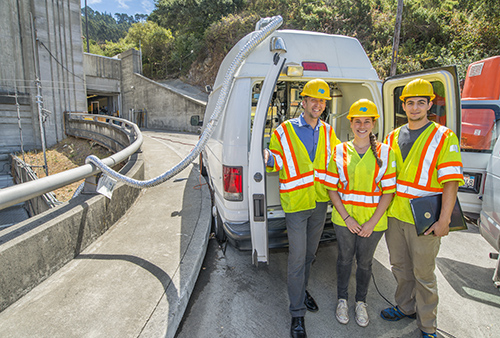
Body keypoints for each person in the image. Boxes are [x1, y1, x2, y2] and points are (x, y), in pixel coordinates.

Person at [380, 79, 464, 338]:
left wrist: (444, 220)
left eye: (420, 102)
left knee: (424, 274)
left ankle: (427, 326)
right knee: (400, 267)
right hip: (395, 216)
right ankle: (405, 307)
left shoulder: (443, 136)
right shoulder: (392, 136)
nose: (415, 108)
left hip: (425, 220)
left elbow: (451, 182)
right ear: (403, 105)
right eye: (410, 103)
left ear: (429, 104)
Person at [264, 79, 340, 338]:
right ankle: (297, 314)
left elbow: (341, 160)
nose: (317, 104)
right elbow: (275, 162)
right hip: (296, 204)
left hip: (319, 203)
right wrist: (265, 157)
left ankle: (301, 289)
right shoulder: (284, 131)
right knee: (297, 258)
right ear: (303, 102)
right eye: (313, 100)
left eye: (322, 101)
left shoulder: (329, 132)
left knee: (309, 255)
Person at [325, 99, 396, 328]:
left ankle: (361, 302)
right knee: (344, 259)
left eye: (367, 121)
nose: (362, 125)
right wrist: (347, 217)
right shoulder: (339, 151)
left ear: (373, 124)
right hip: (345, 219)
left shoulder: (386, 152)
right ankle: (342, 300)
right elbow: (332, 187)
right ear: (351, 123)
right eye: (358, 121)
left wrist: (371, 223)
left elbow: (388, 192)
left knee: (365, 263)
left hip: (373, 223)